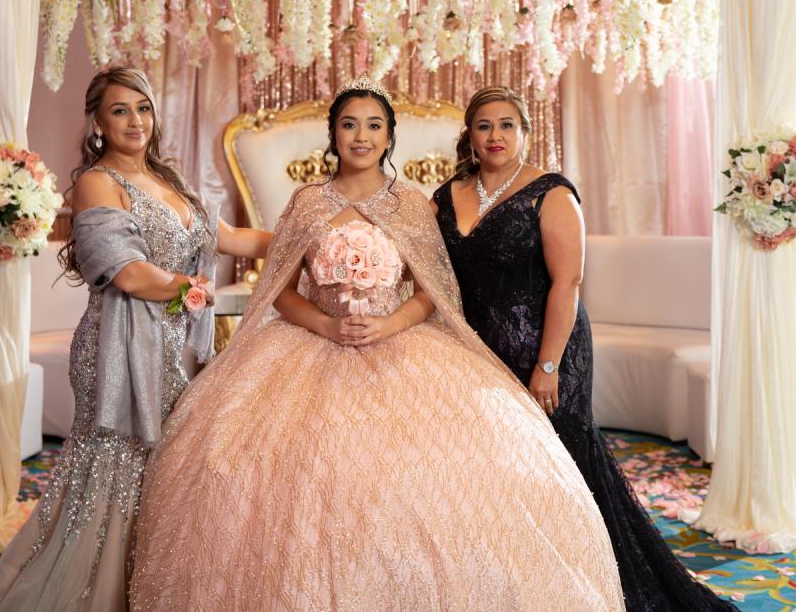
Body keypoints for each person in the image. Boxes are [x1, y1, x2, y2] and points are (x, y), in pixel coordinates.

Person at [128, 77, 625, 611]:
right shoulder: (307, 202)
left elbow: (433, 292)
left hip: (399, 343)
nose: (361, 137)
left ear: (389, 137)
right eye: (349, 125)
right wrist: (324, 324)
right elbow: (281, 292)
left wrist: (390, 325)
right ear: (333, 134)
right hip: (311, 345)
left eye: (373, 126)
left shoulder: (412, 204)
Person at [433, 86, 738, 612]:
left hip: (547, 351)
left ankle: (593, 582)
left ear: (525, 133)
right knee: (497, 470)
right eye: (484, 125)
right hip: (477, 356)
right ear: (470, 136)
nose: (495, 135)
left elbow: (567, 282)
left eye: (507, 125)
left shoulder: (550, 192)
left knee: (564, 468)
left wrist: (548, 365)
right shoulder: (446, 195)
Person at [0, 67, 272, 612]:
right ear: (97, 122)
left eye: (143, 108)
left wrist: (309, 238)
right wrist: (188, 288)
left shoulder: (170, 179)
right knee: (115, 473)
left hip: (176, 347)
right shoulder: (98, 182)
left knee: (167, 470)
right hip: (119, 348)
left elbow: (229, 238)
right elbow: (128, 274)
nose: (135, 121)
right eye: (120, 111)